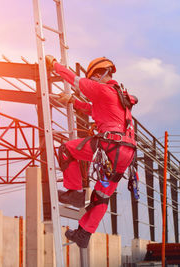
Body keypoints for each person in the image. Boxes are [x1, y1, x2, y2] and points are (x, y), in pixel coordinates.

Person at [45, 55, 138, 248]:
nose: (92, 81)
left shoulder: (102, 88)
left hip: (110, 148)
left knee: (65, 150)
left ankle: (75, 193)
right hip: (124, 156)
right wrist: (73, 101)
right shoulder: (119, 96)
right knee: (101, 196)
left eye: (93, 77)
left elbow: (75, 80)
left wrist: (54, 64)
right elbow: (94, 110)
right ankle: (83, 234)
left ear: (98, 74)